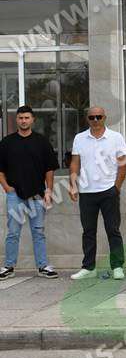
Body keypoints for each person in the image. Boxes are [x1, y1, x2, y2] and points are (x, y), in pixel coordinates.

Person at [68, 107, 126, 280]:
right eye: (92, 117)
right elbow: (75, 163)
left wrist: (116, 187)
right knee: (88, 231)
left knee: (113, 230)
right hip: (86, 192)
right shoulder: (80, 138)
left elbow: (123, 162)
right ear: (87, 119)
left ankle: (117, 266)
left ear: (104, 117)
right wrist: (73, 185)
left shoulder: (116, 137)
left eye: (99, 117)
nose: (95, 120)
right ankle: (89, 268)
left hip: (109, 191)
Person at [0, 106, 59, 280]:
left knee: (38, 231)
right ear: (16, 120)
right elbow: (0, 169)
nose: (23, 121)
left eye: (26, 117)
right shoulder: (7, 142)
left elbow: (49, 169)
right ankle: (9, 266)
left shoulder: (42, 142)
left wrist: (49, 190)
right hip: (14, 195)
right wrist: (6, 187)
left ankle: (42, 266)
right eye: (20, 118)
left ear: (33, 119)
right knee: (13, 232)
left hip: (38, 194)